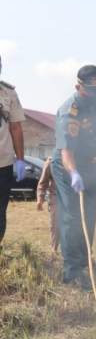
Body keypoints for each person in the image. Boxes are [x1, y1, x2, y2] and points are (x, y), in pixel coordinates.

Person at [51, 65, 96, 290]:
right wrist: (74, 174)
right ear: (79, 87)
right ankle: (72, 271)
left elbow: (95, 131)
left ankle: (85, 260)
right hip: (68, 166)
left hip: (89, 163)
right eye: (93, 90)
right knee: (72, 217)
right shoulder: (69, 112)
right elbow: (66, 152)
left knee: (90, 214)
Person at [0, 55, 27, 247]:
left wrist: (20, 159)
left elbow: (16, 128)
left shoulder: (8, 93)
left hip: (3, 163)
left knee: (0, 210)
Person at [36, 157, 59, 253]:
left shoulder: (75, 158)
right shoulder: (51, 162)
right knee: (56, 224)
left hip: (72, 198)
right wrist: (40, 199)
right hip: (56, 197)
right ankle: (54, 249)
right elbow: (43, 182)